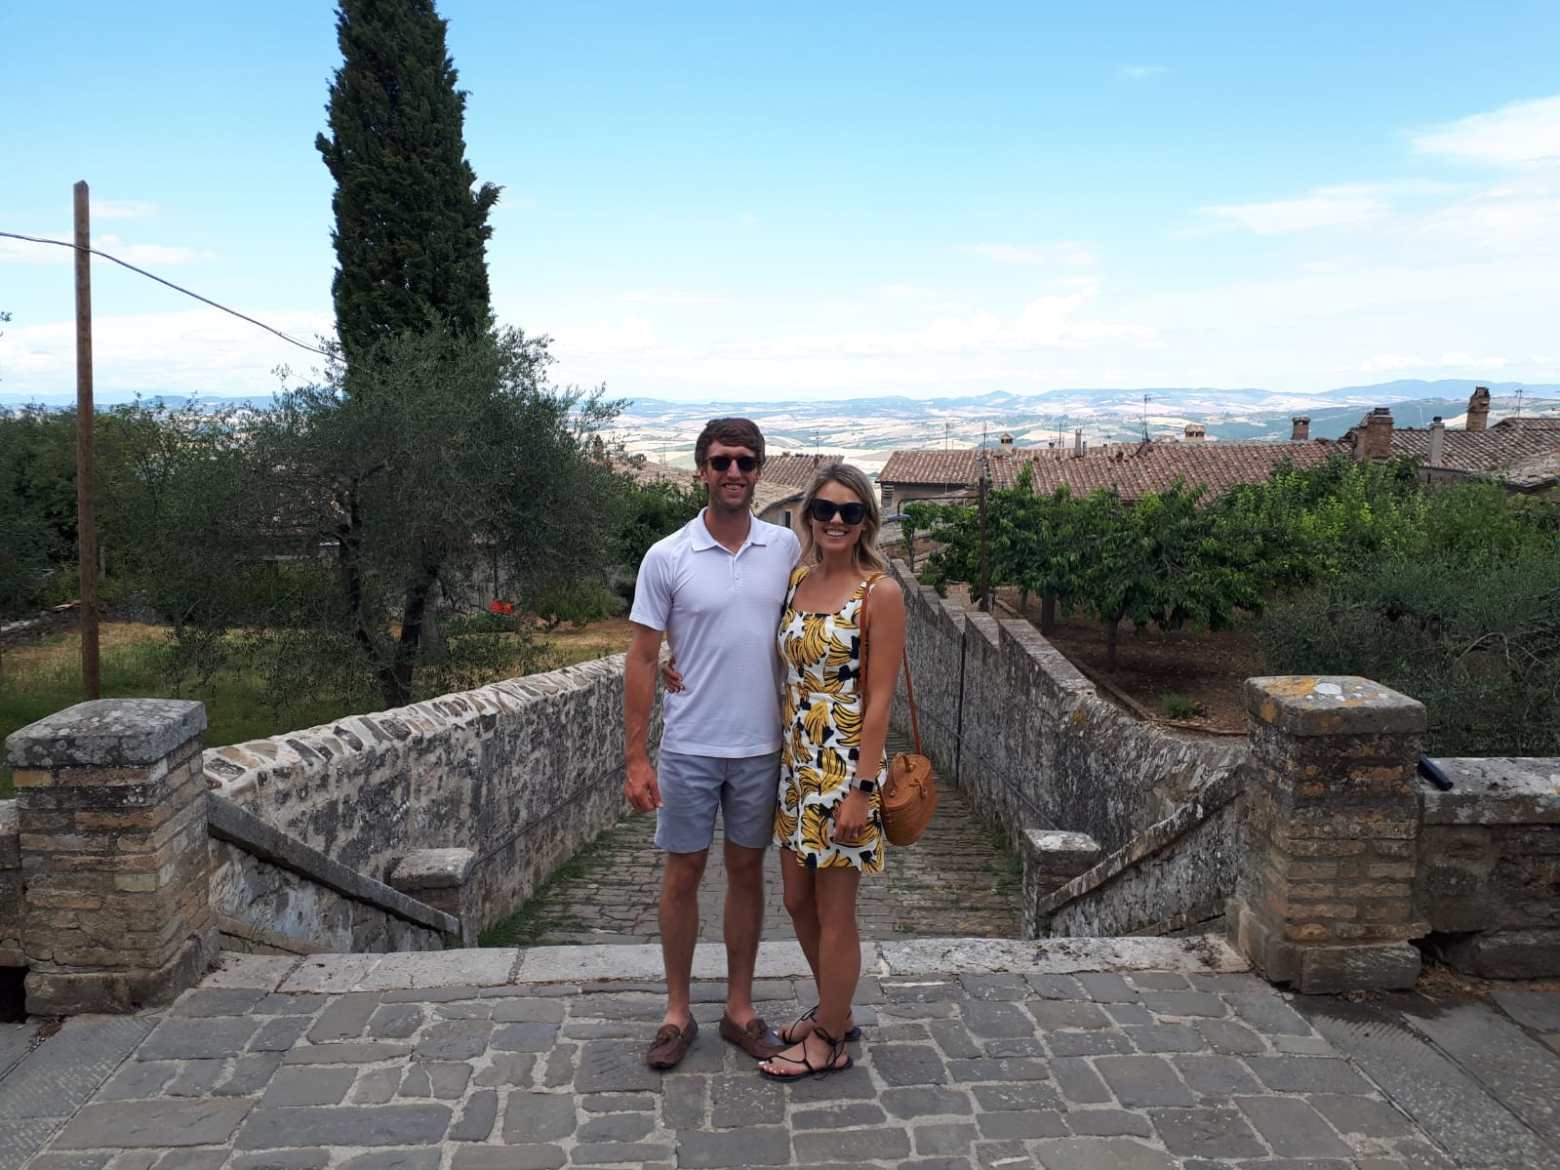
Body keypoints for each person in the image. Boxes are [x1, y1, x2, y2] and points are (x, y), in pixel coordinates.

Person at [622, 417, 801, 1070]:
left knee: (747, 873)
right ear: (701, 469)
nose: (733, 473)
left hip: (761, 745)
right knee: (683, 874)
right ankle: (675, 1012)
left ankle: (740, 1008)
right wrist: (637, 756)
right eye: (721, 461)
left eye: (745, 462)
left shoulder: (786, 551)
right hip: (691, 745)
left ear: (759, 471)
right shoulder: (667, 557)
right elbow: (642, 658)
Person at [757, 462, 904, 1080]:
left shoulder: (879, 593)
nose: (837, 521)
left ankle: (828, 1041)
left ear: (866, 520)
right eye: (825, 510)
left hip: (844, 770)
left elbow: (878, 700)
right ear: (807, 517)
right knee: (796, 900)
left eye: (850, 511)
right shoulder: (796, 580)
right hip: (798, 766)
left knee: (836, 910)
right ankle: (835, 1012)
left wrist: (860, 792)